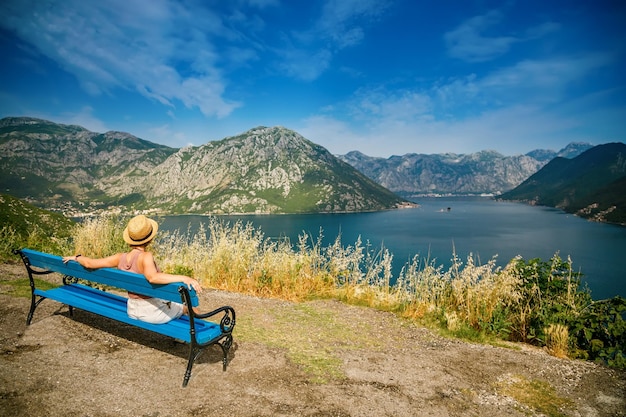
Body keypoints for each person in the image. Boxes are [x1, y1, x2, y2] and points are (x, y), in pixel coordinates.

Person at [63, 214, 203, 324]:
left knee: (175, 304)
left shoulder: (119, 257)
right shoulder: (146, 256)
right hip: (151, 313)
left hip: (132, 309)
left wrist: (77, 257)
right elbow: (152, 277)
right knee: (186, 306)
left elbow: (89, 264)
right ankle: (198, 330)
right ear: (150, 239)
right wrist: (185, 277)